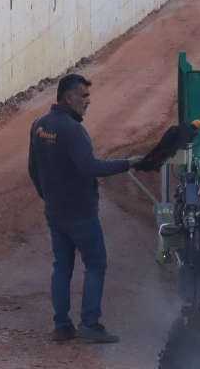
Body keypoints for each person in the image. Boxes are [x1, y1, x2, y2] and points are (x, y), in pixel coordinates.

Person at [28, 73, 160, 344]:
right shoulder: (72, 130)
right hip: (80, 212)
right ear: (68, 97)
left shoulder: (40, 124)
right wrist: (129, 162)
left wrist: (47, 196)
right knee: (96, 263)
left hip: (55, 211)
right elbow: (90, 167)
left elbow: (33, 167)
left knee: (62, 265)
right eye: (84, 96)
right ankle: (90, 323)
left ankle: (62, 326)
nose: (89, 102)